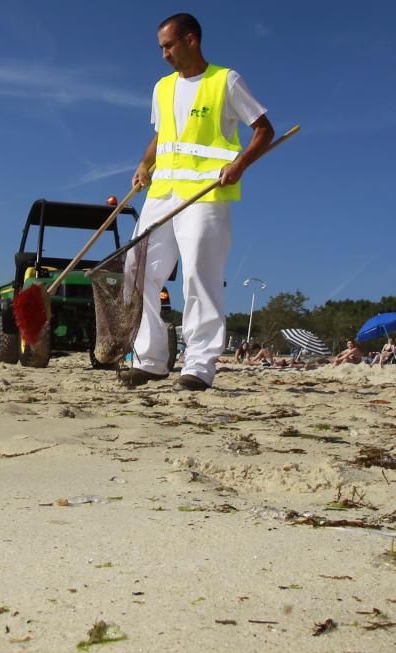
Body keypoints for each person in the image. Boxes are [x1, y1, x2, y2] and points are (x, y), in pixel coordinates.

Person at [117, 13, 274, 390]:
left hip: (205, 194)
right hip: (161, 194)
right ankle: (151, 359)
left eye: (169, 45)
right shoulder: (162, 88)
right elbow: (161, 134)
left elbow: (264, 130)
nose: (164, 54)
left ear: (191, 40)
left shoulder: (225, 80)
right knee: (136, 268)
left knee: (198, 275)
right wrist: (144, 164)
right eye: (161, 48)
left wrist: (239, 164)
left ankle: (199, 366)